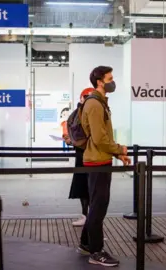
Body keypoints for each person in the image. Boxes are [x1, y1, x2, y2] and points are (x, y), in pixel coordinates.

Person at [77, 66, 130, 267]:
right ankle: (96, 251)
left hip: (101, 158)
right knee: (99, 207)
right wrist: (119, 148)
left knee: (96, 205)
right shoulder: (95, 104)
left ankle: (85, 243)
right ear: (100, 81)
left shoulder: (99, 103)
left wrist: (118, 153)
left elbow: (101, 136)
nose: (112, 81)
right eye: (110, 78)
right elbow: (100, 138)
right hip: (97, 161)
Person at [65, 88, 94, 227]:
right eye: (86, 96)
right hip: (86, 153)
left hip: (87, 153)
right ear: (81, 98)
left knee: (89, 185)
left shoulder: (79, 113)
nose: (87, 99)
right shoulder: (81, 113)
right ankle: (87, 215)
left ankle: (88, 216)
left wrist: (73, 140)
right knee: (86, 185)